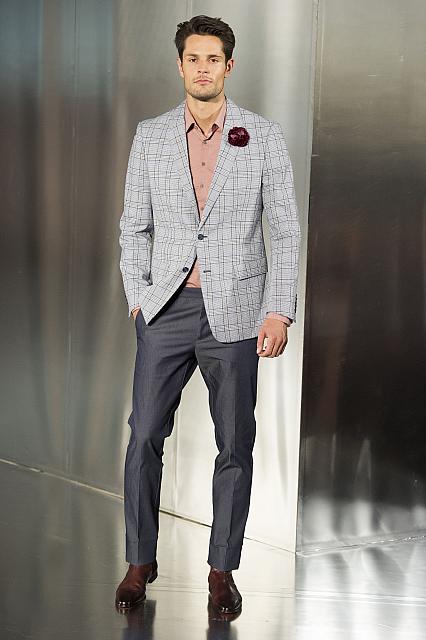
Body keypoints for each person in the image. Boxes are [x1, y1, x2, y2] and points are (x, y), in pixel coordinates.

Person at [115, 14, 301, 614]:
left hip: (238, 313)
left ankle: (222, 571)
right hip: (165, 309)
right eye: (193, 58)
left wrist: (278, 311)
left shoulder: (262, 136)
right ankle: (139, 560)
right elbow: (133, 226)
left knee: (235, 444)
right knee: (144, 435)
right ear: (180, 65)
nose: (202, 69)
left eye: (212, 59)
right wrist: (139, 298)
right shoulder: (150, 136)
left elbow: (285, 232)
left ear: (229, 66)